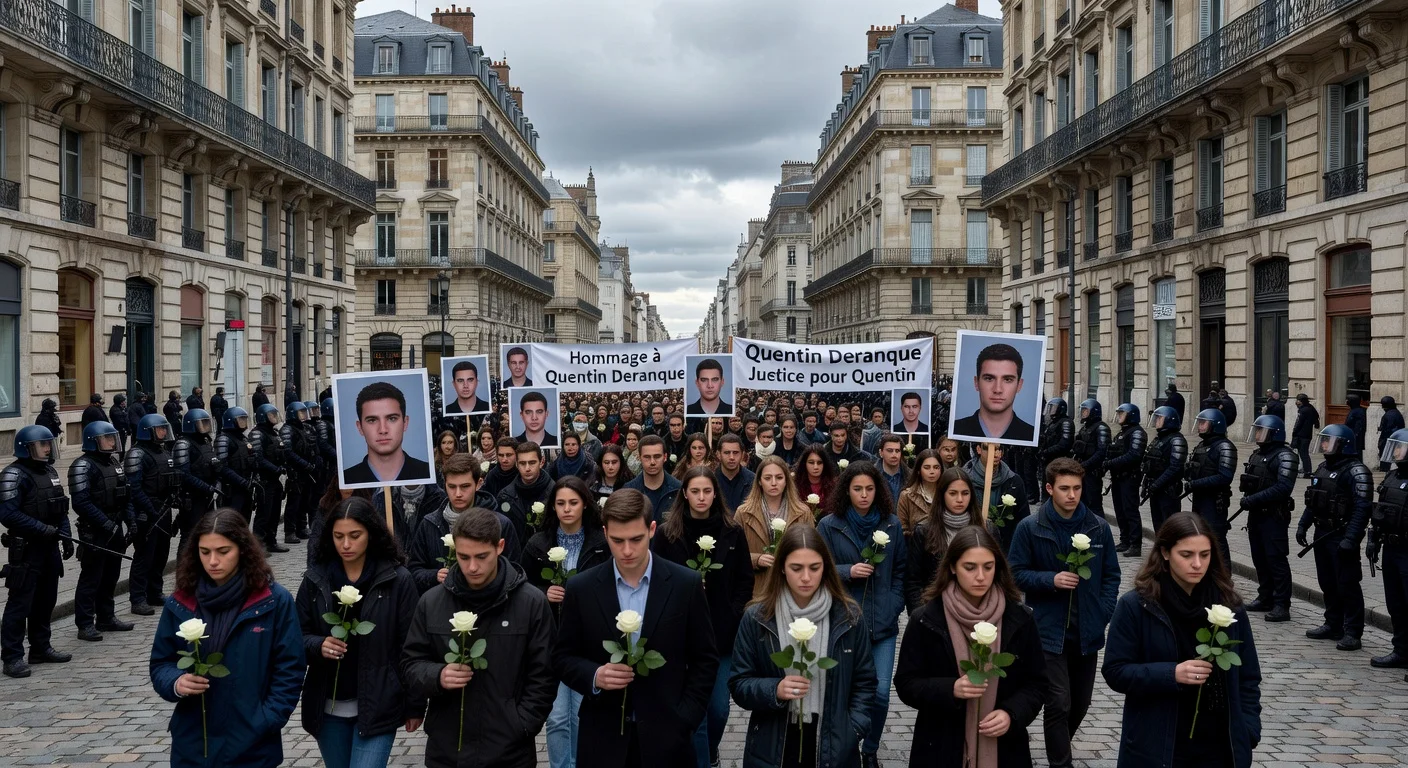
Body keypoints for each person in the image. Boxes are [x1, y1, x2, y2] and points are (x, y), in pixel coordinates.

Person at [553, 489, 720, 768]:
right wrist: (595, 675)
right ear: (605, 533)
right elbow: (562, 657)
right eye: (617, 541)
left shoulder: (685, 584)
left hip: (668, 739)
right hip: (603, 739)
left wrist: (685, 718)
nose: (627, 550)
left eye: (636, 539)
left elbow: (705, 659)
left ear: (652, 530)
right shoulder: (582, 588)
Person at [1102, 513, 1263, 768]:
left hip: (1219, 748)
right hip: (1159, 746)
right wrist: (1171, 673)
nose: (1197, 564)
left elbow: (1248, 676)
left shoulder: (1228, 605)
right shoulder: (1137, 605)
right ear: (1165, 552)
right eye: (1186, 555)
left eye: (1205, 555)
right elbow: (1115, 671)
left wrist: (1248, 730)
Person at [401, 506, 556, 767]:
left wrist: (522, 724)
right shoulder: (431, 602)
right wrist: (437, 675)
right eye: (463, 557)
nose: (472, 567)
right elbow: (410, 664)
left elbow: (544, 674)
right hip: (447, 750)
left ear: (500, 547)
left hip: (510, 752)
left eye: (481, 556)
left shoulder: (531, 603)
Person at [149, 510, 304, 767]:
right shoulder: (181, 601)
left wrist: (266, 719)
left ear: (242, 549)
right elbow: (161, 662)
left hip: (252, 746)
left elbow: (290, 667)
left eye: (223, 551)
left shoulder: (273, 600)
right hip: (193, 743)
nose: (213, 561)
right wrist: (176, 681)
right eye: (205, 552)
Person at [895, 526, 1050, 768]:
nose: (980, 576)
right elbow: (906, 683)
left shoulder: (1019, 618)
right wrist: (951, 689)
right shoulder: (926, 619)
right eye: (970, 567)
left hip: (1005, 749)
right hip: (941, 745)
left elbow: (1037, 683)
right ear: (952, 567)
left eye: (988, 567)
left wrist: (1011, 713)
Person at [729, 524, 878, 768]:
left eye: (814, 568)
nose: (806, 577)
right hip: (774, 742)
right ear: (782, 568)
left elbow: (865, 681)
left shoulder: (848, 617)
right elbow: (739, 682)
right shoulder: (758, 618)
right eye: (796, 568)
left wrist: (851, 729)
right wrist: (774, 689)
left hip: (833, 741)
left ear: (826, 567)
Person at [1007, 458, 1120, 768]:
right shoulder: (1030, 527)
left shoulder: (1098, 527)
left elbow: (1111, 575)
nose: (1072, 495)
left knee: (1080, 704)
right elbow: (1014, 573)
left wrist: (1103, 612)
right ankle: (1061, 763)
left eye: (1077, 488)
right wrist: (1050, 580)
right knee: (1058, 701)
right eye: (1065, 488)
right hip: (1047, 630)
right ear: (1049, 488)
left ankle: (1059, 746)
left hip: (1087, 630)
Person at [295, 497, 421, 768]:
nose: (346, 544)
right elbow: (295, 637)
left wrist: (414, 705)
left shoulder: (397, 579)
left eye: (355, 536)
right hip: (328, 707)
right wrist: (318, 644)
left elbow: (410, 647)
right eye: (338, 536)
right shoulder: (315, 579)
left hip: (378, 705)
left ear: (371, 534)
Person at [653, 467, 753, 768]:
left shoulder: (732, 531)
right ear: (684, 493)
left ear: (715, 494)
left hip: (721, 634)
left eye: (707, 491)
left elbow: (744, 579)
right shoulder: (668, 533)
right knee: (694, 712)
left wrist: (733, 612)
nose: (701, 497)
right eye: (695, 491)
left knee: (718, 709)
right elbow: (657, 577)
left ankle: (710, 751)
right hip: (680, 634)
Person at [816, 461, 906, 767]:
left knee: (880, 693)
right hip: (843, 622)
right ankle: (844, 745)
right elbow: (819, 568)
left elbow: (900, 570)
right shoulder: (829, 525)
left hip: (882, 624)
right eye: (857, 489)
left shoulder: (892, 524)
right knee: (843, 691)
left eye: (869, 488)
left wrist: (893, 604)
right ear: (847, 491)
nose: (864, 495)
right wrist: (847, 571)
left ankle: (870, 747)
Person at [524, 477, 611, 768]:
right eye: (560, 503)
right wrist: (543, 591)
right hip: (551, 640)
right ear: (553, 506)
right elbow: (521, 583)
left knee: (580, 713)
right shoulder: (538, 544)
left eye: (573, 502)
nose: (567, 509)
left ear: (585, 504)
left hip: (588, 640)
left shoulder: (600, 542)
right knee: (557, 716)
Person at [0, 426, 73, 677]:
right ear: (27, 447)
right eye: (42, 444)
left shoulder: (50, 471)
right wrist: (42, 529)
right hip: (27, 550)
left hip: (49, 548)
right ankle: (12, 657)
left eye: (48, 443)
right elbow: (8, 514)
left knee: (46, 601)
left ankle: (41, 648)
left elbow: (60, 507)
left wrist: (65, 535)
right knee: (20, 605)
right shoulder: (13, 475)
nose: (47, 448)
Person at [1298, 423, 1373, 651]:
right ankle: (1333, 624)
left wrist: (1351, 539)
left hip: (1341, 534)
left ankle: (1353, 631)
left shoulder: (1357, 472)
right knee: (1327, 582)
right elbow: (1312, 500)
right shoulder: (1323, 468)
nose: (1324, 445)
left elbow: (1362, 508)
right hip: (1322, 533)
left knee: (1347, 584)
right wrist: (1303, 525)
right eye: (1323, 441)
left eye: (1328, 441)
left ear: (1343, 445)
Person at [408, 453, 518, 594]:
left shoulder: (501, 524)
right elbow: (414, 570)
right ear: (444, 485)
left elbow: (513, 571)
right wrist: (434, 576)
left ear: (478, 484)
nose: (458, 494)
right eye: (452, 487)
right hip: (444, 600)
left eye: (465, 486)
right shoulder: (429, 524)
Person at [69, 421, 136, 642]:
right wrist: (105, 524)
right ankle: (85, 623)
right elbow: (81, 503)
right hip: (95, 531)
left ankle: (106, 617)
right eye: (107, 438)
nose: (112, 442)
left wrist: (130, 521)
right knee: (91, 578)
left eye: (112, 438)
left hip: (115, 527)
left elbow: (125, 494)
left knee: (111, 575)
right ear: (93, 441)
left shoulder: (114, 463)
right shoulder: (83, 466)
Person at [1234, 415, 1297, 624]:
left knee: (1275, 559)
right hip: (1256, 514)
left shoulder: (1285, 456)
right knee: (1259, 558)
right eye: (1257, 430)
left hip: (1273, 516)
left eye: (1262, 431)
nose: (1258, 434)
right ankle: (1265, 596)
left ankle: (1282, 604)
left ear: (1274, 433)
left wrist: (1254, 499)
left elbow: (1283, 487)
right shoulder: (1257, 454)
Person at [904, 469, 983, 614]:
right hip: (936, 610)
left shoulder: (986, 529)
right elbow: (913, 581)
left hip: (977, 610)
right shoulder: (924, 531)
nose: (960, 499)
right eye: (953, 493)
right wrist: (921, 616)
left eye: (965, 493)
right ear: (942, 495)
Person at [735, 456, 814, 597]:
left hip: (792, 589)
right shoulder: (743, 513)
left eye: (779, 478)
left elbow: (813, 552)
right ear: (759, 481)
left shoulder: (803, 513)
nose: (773, 483)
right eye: (767, 478)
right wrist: (756, 559)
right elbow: (733, 554)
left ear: (786, 481)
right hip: (756, 590)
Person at [126, 412, 181, 616]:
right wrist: (150, 509)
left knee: (161, 553)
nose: (164, 432)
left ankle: (155, 592)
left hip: (163, 509)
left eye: (165, 429)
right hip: (146, 512)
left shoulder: (163, 452)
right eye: (160, 429)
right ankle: (138, 598)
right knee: (144, 556)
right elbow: (134, 487)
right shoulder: (137, 454)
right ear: (148, 431)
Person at [1369, 428, 1408, 670]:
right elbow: (1380, 511)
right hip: (1391, 549)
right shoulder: (1392, 477)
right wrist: (1373, 538)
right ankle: (1401, 651)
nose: (1395, 451)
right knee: (1395, 604)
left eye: (1400, 447)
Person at [343, 382, 432, 485]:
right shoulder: (345, 480)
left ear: (405, 423)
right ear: (360, 427)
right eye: (372, 420)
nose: (383, 430)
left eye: (392, 418)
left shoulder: (429, 473)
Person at [951, 343, 1035, 442]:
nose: (997, 389)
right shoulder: (954, 430)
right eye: (989, 378)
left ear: (1019, 385)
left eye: (1007, 379)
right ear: (976, 383)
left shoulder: (1032, 435)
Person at [1185, 408, 1238, 565]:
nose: (1200, 426)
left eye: (1204, 423)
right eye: (1200, 423)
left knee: (1216, 539)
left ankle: (1224, 575)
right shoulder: (1201, 445)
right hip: (1199, 499)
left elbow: (1224, 477)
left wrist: (1196, 483)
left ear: (1215, 424)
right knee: (1200, 537)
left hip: (1214, 501)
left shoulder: (1225, 447)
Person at [962, 442, 1031, 554]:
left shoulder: (1014, 481)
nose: (996, 454)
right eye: (988, 448)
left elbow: (1023, 520)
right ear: (978, 449)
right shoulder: (963, 480)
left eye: (999, 449)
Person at [1106, 404, 1148, 558]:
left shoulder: (1137, 432)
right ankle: (1124, 540)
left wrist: (1111, 463)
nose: (1119, 416)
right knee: (1120, 510)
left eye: (1122, 414)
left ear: (1131, 415)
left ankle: (1135, 544)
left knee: (1130, 511)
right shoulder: (1122, 432)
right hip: (1117, 477)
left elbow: (1134, 455)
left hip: (1129, 477)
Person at [172, 409, 219, 544]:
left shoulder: (205, 442)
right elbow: (183, 474)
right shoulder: (183, 444)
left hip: (207, 495)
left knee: (207, 533)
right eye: (201, 423)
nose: (205, 427)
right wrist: (206, 487)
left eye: (206, 423)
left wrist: (215, 482)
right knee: (190, 535)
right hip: (191, 497)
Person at [249, 403, 290, 554]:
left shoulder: (274, 433)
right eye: (271, 415)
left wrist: (283, 465)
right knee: (264, 514)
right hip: (264, 480)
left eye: (274, 414)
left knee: (274, 513)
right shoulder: (257, 434)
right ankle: (258, 545)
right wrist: (275, 468)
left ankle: (271, 541)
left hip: (275, 479)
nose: (274, 417)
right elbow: (258, 458)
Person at [1141, 406, 1189, 532]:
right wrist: (1146, 484)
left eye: (1159, 418)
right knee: (1158, 526)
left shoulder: (1177, 440)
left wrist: (1157, 484)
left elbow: (1175, 467)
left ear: (1169, 420)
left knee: (1169, 528)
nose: (1156, 421)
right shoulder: (1158, 439)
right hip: (1155, 489)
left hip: (1168, 491)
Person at [498, 441, 554, 544]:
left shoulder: (555, 494)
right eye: (522, 463)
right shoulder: (505, 496)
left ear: (541, 462)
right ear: (516, 464)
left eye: (532, 463)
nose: (527, 468)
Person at [624, 435, 681, 524]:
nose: (652, 462)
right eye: (647, 457)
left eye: (657, 456)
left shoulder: (678, 489)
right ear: (639, 458)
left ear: (665, 457)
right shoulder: (628, 490)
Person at [213, 407, 255, 521]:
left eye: (245, 419)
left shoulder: (243, 439)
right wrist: (241, 481)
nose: (244, 423)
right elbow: (221, 467)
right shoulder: (223, 439)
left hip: (246, 487)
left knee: (244, 521)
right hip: (231, 490)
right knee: (231, 522)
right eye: (241, 420)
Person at [1071, 399, 1110, 516]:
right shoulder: (1084, 428)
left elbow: (1101, 452)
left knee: (1094, 504)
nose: (1083, 413)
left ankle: (1099, 526)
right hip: (1081, 471)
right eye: (1082, 411)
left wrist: (1085, 465)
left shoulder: (1101, 428)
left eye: (1086, 411)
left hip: (1093, 472)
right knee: (1081, 502)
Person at [897, 448, 943, 535]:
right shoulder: (906, 496)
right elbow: (902, 529)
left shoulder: (947, 493)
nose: (932, 471)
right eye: (927, 467)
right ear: (918, 470)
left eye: (936, 467)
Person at [1037, 398, 1075, 496]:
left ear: (1061, 409)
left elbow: (1064, 444)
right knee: (1046, 485)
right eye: (1050, 408)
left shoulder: (1066, 422)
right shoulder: (1052, 423)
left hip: (1059, 461)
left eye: (1054, 408)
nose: (1051, 410)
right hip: (1048, 460)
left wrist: (1047, 451)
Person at [714, 434, 755, 514]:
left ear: (742, 454)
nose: (731, 457)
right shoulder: (710, 480)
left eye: (735, 452)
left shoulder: (753, 481)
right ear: (718, 454)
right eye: (727, 453)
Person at [793, 445, 837, 518]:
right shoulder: (795, 485)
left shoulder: (833, 486)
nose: (815, 467)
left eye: (819, 463)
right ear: (804, 463)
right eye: (811, 462)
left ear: (825, 464)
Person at [875, 435, 910, 506]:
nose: (894, 455)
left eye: (897, 451)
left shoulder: (911, 476)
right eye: (890, 451)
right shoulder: (872, 476)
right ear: (881, 452)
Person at [1292, 393, 1320, 478]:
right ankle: (1305, 469)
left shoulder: (1304, 410)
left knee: (1303, 453)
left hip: (1302, 435)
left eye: (1298, 400)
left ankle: (1307, 471)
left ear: (1302, 401)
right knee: (1303, 453)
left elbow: (1299, 423)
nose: (1296, 402)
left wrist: (1294, 432)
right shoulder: (1310, 408)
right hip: (1307, 434)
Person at [1378, 396, 1405, 472]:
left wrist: (1381, 442)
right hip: (1396, 440)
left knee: (1386, 464)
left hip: (1389, 441)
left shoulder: (1389, 415)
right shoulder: (1396, 413)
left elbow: (1388, 429)